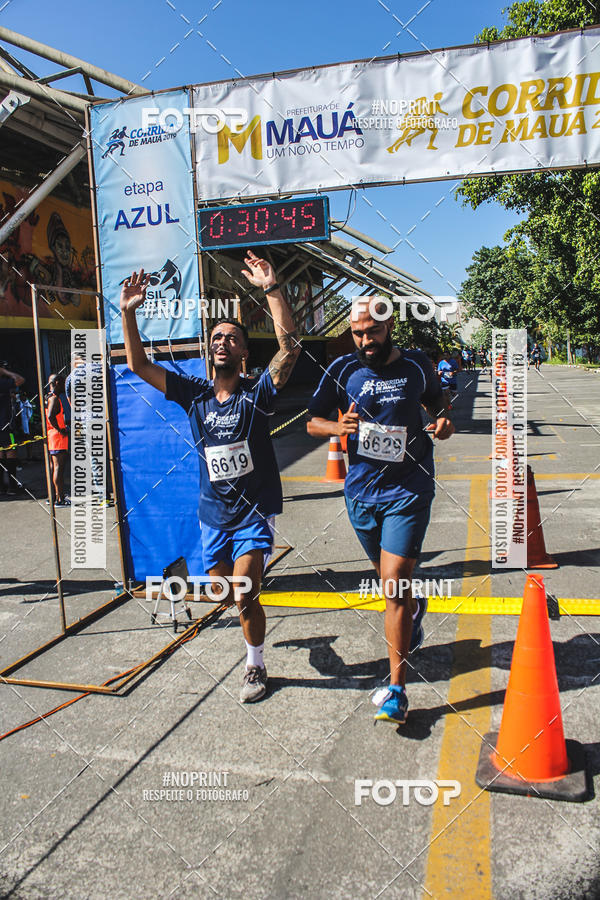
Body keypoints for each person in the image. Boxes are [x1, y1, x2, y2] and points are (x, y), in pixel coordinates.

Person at [120, 251, 301, 703]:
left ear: (242, 352)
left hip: (254, 512)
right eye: (216, 336)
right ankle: (246, 619)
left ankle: (255, 666)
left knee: (244, 593)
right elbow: (140, 366)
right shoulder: (194, 394)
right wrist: (128, 313)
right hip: (212, 515)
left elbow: (290, 349)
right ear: (209, 350)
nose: (222, 341)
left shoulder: (258, 394)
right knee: (225, 591)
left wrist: (272, 289)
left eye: (232, 338)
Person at [306, 299, 454, 725]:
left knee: (391, 586)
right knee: (395, 587)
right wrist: (336, 428)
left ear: (388, 325)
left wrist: (444, 422)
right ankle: (414, 610)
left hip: (409, 488)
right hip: (361, 495)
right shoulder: (342, 370)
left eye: (372, 331)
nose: (365, 341)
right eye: (358, 333)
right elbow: (313, 421)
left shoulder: (416, 365)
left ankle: (396, 691)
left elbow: (438, 406)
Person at [0, 362, 25, 496]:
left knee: (1, 452)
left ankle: (2, 487)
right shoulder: (3, 383)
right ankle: (12, 486)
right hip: (5, 424)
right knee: (11, 451)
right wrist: (6, 373)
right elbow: (20, 380)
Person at [45, 373, 70, 506]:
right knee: (58, 468)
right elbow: (50, 417)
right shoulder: (54, 398)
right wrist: (61, 430)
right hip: (57, 437)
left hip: (52, 436)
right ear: (57, 383)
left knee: (54, 468)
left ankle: (54, 496)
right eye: (63, 383)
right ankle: (59, 499)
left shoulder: (48, 397)